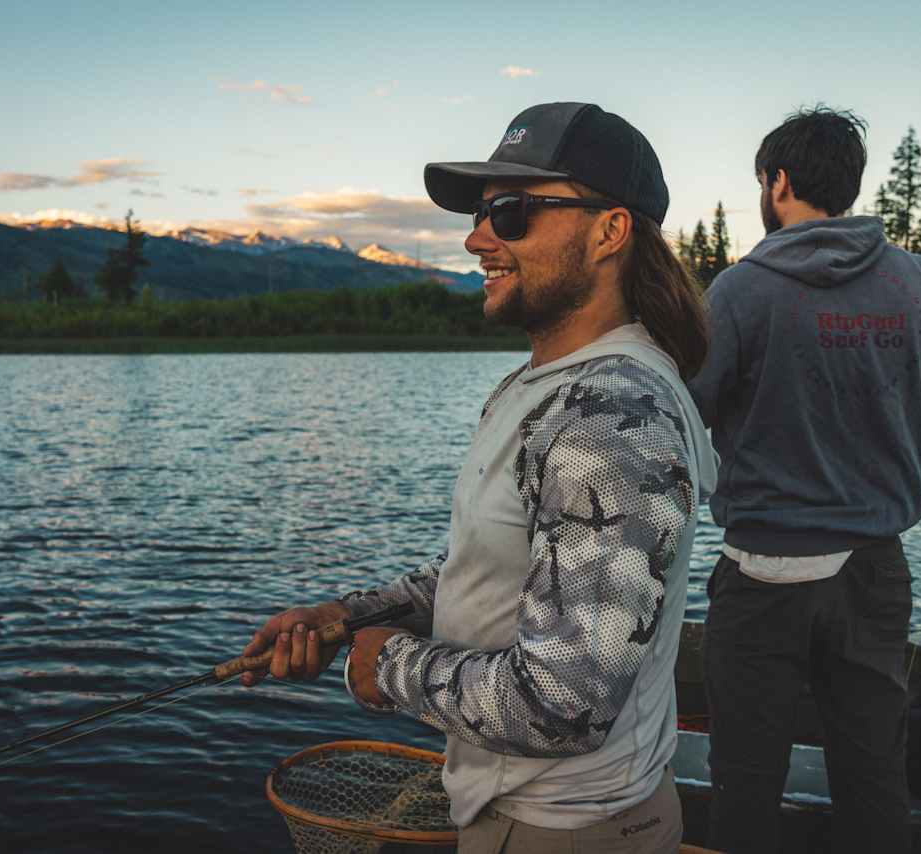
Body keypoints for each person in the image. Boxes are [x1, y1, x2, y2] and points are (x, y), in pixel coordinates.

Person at [240, 102, 716, 853]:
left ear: (609, 232)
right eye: (482, 213)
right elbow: (501, 573)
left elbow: (567, 701)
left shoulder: (610, 416)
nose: (477, 237)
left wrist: (388, 667)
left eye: (511, 212)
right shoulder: (550, 389)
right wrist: (346, 619)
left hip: (567, 829)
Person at [687, 106, 921, 854]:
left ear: (777, 182)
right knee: (874, 775)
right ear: (848, 184)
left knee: (744, 779)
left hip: (758, 581)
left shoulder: (739, 292)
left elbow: (680, 418)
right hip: (874, 575)